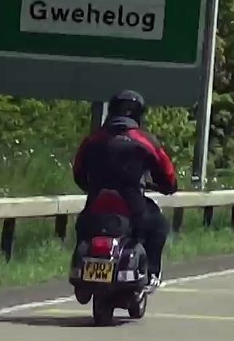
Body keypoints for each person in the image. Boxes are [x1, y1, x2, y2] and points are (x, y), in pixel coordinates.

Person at [73, 90, 178, 289]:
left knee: (84, 227)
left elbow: (78, 172)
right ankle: (151, 273)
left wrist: (92, 186)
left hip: (96, 203)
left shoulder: (93, 139)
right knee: (158, 226)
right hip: (133, 206)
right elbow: (168, 175)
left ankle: (81, 270)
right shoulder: (145, 141)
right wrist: (166, 187)